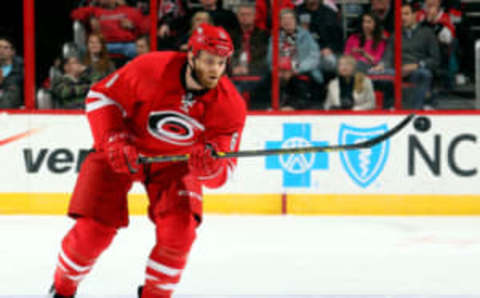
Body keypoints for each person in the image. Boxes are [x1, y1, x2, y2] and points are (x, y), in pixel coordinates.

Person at [47, 23, 246, 298]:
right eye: (209, 61)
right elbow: (100, 95)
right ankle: (62, 289)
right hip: (124, 152)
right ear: (191, 55)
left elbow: (224, 173)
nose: (215, 69)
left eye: (222, 63)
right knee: (93, 232)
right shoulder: (151, 68)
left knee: (180, 233)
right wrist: (113, 139)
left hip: (175, 165)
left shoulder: (230, 105)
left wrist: (210, 168)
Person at [371, 2, 440, 109]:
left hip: (416, 69)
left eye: (406, 14)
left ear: (415, 15)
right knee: (375, 73)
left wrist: (416, 65)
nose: (402, 18)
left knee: (424, 74)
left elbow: (435, 60)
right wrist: (382, 65)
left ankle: (416, 109)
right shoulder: (395, 34)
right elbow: (388, 55)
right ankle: (389, 107)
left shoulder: (427, 33)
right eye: (400, 15)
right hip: (397, 70)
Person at [266, 9, 321, 110]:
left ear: (296, 21)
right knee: (267, 81)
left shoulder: (306, 36)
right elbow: (270, 59)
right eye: (284, 19)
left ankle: (294, 107)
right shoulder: (275, 37)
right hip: (281, 72)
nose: (287, 21)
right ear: (280, 22)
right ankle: (273, 107)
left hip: (302, 70)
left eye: (290, 18)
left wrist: (295, 69)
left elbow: (314, 58)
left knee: (299, 82)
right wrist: (278, 70)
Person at [71, 0, 149, 58]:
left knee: (139, 50)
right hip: (102, 45)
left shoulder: (129, 10)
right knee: (83, 51)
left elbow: (144, 28)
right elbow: (75, 14)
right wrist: (91, 14)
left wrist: (132, 26)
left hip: (125, 45)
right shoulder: (94, 10)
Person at [0, 36, 23, 109]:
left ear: (13, 52)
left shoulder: (21, 68)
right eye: (0, 47)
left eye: (5, 48)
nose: (1, 50)